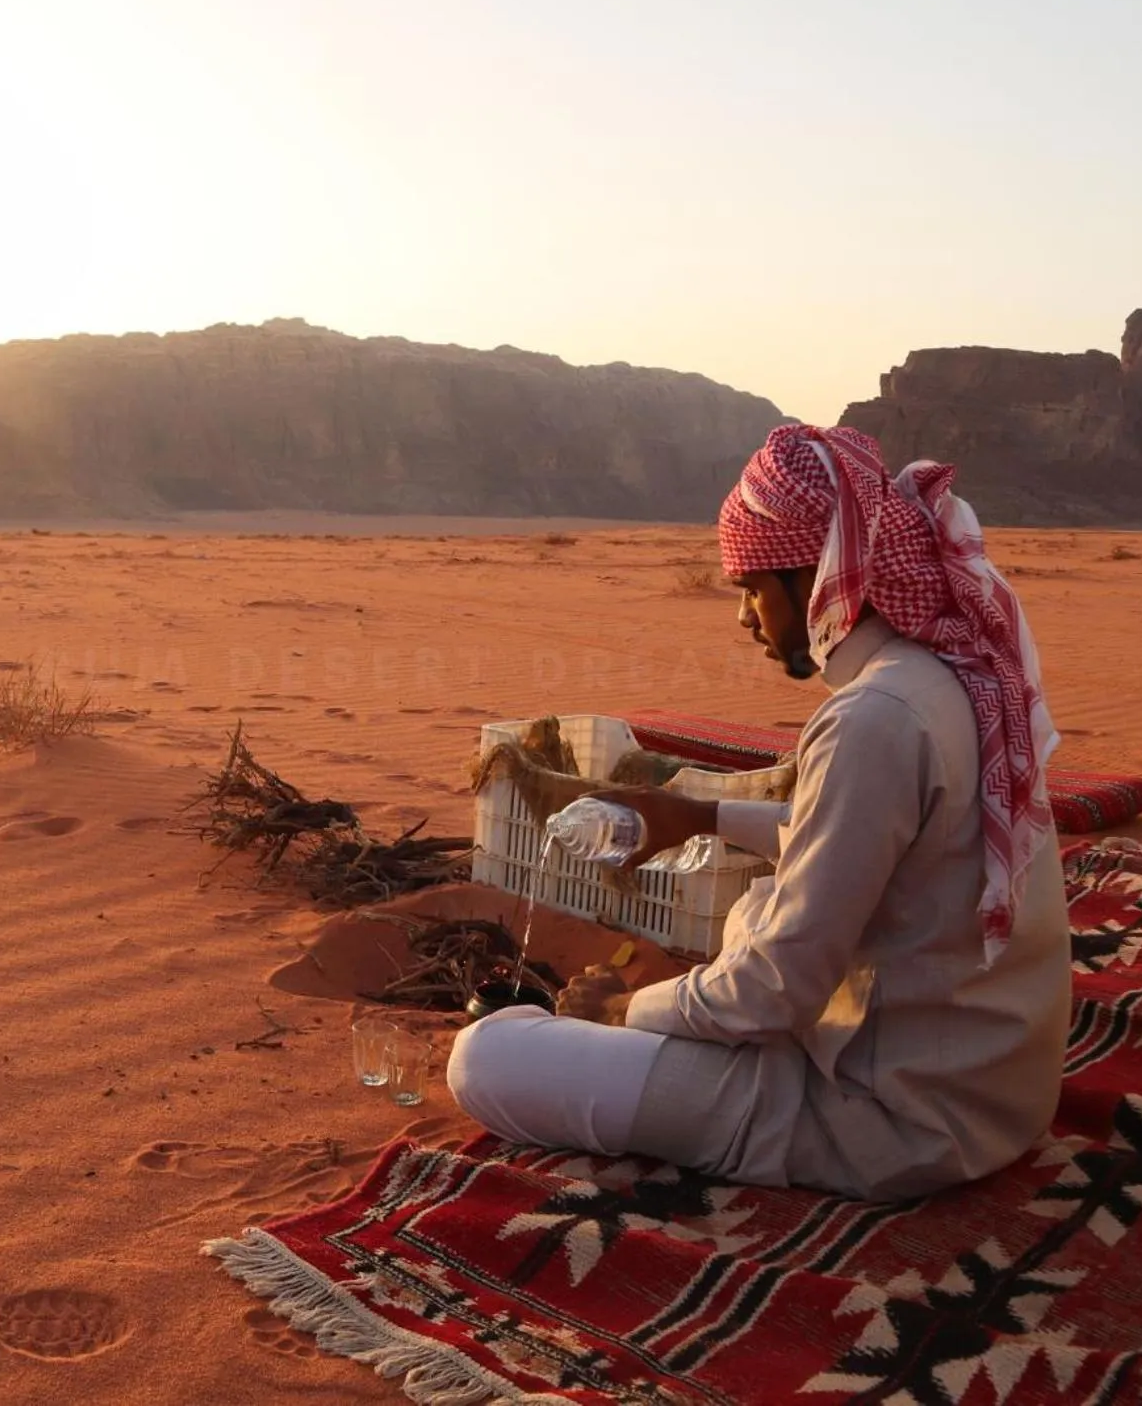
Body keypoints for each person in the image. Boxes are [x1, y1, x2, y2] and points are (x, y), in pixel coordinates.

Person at [446, 423, 1072, 1201]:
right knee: (749, 909)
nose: (745, 618)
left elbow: (774, 991)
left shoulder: (873, 717)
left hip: (890, 1122)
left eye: (751, 588)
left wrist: (622, 1008)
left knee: (487, 1054)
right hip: (990, 1095)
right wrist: (697, 817)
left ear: (815, 575)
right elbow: (870, 848)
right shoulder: (941, 678)